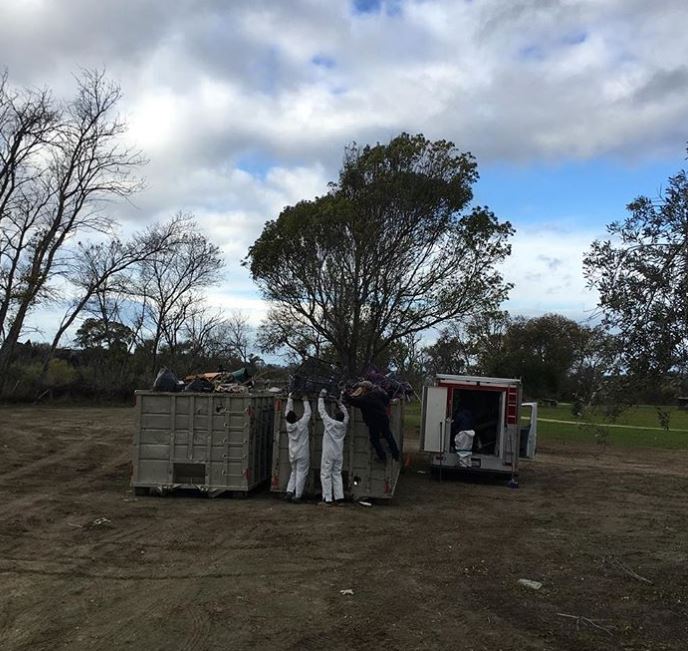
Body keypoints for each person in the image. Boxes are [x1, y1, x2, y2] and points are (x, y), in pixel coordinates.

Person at [344, 380, 400, 463]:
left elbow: (353, 402)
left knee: (374, 439)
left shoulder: (364, 399)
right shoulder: (378, 393)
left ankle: (382, 457)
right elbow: (387, 400)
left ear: (365, 388)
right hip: (383, 418)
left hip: (374, 422)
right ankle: (396, 455)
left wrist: (344, 393)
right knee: (388, 436)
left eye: (362, 387)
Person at [318, 388, 349, 506]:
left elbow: (322, 411)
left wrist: (321, 397)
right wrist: (339, 403)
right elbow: (346, 414)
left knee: (325, 474)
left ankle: (327, 498)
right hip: (338, 453)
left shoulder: (330, 423)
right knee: (337, 474)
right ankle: (339, 498)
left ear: (335, 417)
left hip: (328, 452)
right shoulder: (344, 424)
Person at [284, 393, 311, 503]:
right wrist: (305, 400)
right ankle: (297, 495)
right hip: (302, 453)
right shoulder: (301, 424)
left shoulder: (288, 425)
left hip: (292, 453)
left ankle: (289, 491)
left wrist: (290, 398)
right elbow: (308, 413)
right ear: (295, 417)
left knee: (294, 472)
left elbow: (287, 412)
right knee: (301, 473)